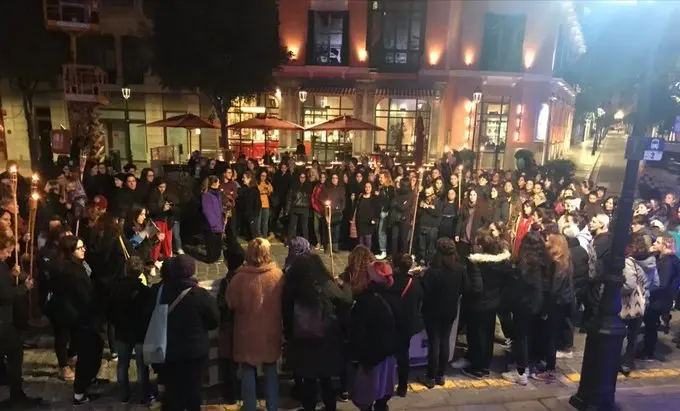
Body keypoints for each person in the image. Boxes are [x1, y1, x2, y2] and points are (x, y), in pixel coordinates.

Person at [283, 239, 352, 411]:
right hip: (325, 339)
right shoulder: (325, 284)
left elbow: (286, 314)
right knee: (326, 380)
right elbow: (345, 300)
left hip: (302, 340)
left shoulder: (291, 286)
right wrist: (346, 286)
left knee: (309, 382)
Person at [153, 255, 219, 411]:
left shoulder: (162, 292)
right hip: (194, 352)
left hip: (171, 350)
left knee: (173, 392)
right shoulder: (200, 295)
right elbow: (214, 320)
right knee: (193, 391)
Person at [227, 238, 284, 411]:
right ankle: (272, 405)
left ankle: (250, 406)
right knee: (270, 367)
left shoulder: (240, 278)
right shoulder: (277, 275)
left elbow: (231, 302)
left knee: (248, 369)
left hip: (247, 331)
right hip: (270, 330)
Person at [55, 236, 103, 404]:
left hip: (82, 318)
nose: (84, 250)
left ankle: (88, 381)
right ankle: (80, 392)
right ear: (70, 251)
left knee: (94, 349)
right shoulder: (72, 272)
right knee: (87, 354)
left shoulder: (76, 267)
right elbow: (83, 297)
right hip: (81, 319)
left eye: (83, 246)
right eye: (79, 248)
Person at [349, 261, 400, 411]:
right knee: (384, 393)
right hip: (388, 354)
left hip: (370, 359)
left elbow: (358, 331)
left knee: (365, 396)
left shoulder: (365, 301)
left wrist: (354, 356)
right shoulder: (395, 296)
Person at [462, 230, 512, 379]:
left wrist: (467, 289)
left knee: (477, 335)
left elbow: (477, 287)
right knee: (488, 335)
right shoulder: (502, 262)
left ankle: (477, 368)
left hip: (479, 304)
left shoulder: (476, 263)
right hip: (493, 302)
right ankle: (485, 365)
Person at [0, 232, 41, 407]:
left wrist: (11, 276)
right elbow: (5, 295)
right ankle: (16, 395)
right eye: (6, 251)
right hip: (3, 320)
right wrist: (24, 288)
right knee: (15, 353)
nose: (9, 254)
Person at [420, 238, 466, 388]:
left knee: (434, 342)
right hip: (450, 309)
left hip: (433, 310)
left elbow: (424, 291)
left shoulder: (433, 271)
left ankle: (430, 376)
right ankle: (441, 375)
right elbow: (465, 288)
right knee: (445, 340)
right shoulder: (460, 269)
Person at [502, 231, 545, 385]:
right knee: (528, 336)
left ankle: (521, 372)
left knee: (522, 337)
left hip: (525, 305)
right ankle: (524, 366)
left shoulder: (524, 264)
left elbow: (519, 288)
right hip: (537, 305)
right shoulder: (543, 261)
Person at [110, 256, 154, 404]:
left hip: (122, 332)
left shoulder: (116, 290)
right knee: (142, 367)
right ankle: (143, 394)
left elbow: (111, 312)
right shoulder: (145, 292)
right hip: (140, 333)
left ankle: (124, 394)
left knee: (122, 363)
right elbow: (149, 313)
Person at [643, 235, 680, 361]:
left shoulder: (667, 262)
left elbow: (662, 283)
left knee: (651, 325)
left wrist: (648, 290)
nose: (654, 243)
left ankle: (648, 351)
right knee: (651, 324)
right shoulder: (664, 259)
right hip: (662, 299)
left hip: (659, 299)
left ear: (665, 246)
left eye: (658, 242)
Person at [619, 235, 650, 376]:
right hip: (642, 302)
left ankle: (619, 361)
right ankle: (628, 362)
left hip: (628, 303)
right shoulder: (651, 261)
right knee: (634, 334)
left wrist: (617, 289)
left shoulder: (629, 262)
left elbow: (629, 285)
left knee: (620, 333)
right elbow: (655, 282)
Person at [147, 178, 174, 261]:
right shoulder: (153, 195)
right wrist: (162, 208)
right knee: (156, 244)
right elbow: (152, 209)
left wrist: (171, 207)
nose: (162, 189)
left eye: (164, 187)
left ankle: (168, 261)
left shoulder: (167, 194)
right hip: (158, 221)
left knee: (168, 243)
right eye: (160, 187)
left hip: (167, 222)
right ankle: (152, 264)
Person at [202, 176, 226, 263]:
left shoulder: (217, 194)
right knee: (211, 243)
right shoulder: (207, 195)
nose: (219, 184)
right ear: (214, 183)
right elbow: (207, 211)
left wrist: (223, 216)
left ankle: (217, 256)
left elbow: (219, 207)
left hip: (218, 222)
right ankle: (212, 258)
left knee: (217, 242)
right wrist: (214, 223)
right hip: (211, 225)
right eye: (218, 182)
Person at [321, 172, 346, 253]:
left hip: (338, 212)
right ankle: (328, 247)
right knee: (329, 230)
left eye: (336, 178)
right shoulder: (327, 188)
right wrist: (326, 205)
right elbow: (322, 198)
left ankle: (335, 247)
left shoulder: (341, 188)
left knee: (337, 230)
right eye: (333, 178)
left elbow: (343, 200)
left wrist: (341, 209)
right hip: (329, 211)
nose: (335, 180)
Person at [389, 179, 414, 255]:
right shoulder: (398, 192)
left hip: (404, 219)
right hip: (395, 218)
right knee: (394, 238)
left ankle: (403, 256)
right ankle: (394, 256)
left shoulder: (410, 194)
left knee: (403, 239)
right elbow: (392, 203)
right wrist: (398, 204)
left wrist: (397, 204)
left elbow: (404, 207)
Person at [286, 172, 312, 244]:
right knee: (292, 226)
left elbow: (310, 198)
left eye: (304, 177)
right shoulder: (294, 185)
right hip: (295, 208)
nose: (302, 179)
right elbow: (289, 197)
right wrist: (287, 209)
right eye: (301, 177)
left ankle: (306, 243)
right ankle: (290, 242)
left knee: (305, 227)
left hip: (304, 209)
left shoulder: (308, 186)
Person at [417, 186, 442, 262]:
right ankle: (422, 260)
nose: (427, 195)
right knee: (422, 246)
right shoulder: (423, 201)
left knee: (430, 247)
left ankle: (430, 262)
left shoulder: (438, 201)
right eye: (426, 193)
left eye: (429, 193)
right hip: (423, 226)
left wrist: (427, 207)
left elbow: (436, 213)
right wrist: (421, 207)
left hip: (432, 227)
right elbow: (418, 213)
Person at [375, 171, 395, 260]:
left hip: (386, 213)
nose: (380, 179)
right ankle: (382, 250)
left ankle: (384, 251)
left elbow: (390, 201)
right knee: (380, 232)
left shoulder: (390, 188)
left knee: (382, 232)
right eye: (379, 177)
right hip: (380, 212)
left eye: (381, 177)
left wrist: (385, 211)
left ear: (386, 178)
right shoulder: (381, 188)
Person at [354, 181, 379, 248]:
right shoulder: (360, 197)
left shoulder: (374, 198)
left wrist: (374, 219)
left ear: (371, 188)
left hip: (369, 223)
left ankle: (367, 257)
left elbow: (377, 210)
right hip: (360, 222)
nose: (367, 188)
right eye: (366, 187)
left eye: (369, 187)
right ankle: (361, 257)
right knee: (360, 243)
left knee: (368, 242)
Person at [257, 170, 274, 239]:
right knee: (258, 222)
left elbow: (271, 190)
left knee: (265, 222)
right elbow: (258, 191)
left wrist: (265, 191)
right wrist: (264, 191)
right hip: (258, 204)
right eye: (262, 176)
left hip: (266, 205)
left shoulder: (268, 183)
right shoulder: (257, 183)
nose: (263, 177)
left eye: (265, 176)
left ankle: (264, 237)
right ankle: (258, 237)